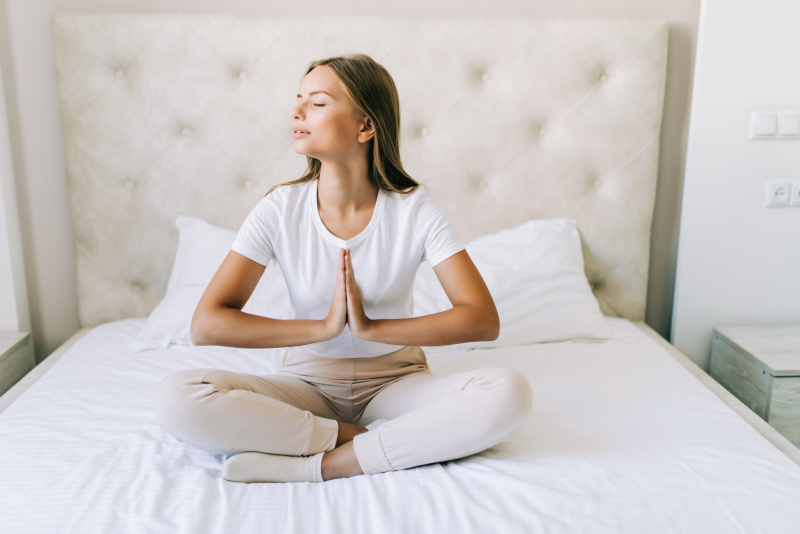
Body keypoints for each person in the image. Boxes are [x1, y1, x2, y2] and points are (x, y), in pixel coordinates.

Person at [153, 54, 533, 484]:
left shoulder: (415, 209)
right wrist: (324, 328)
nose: (296, 112)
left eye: (317, 103)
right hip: (307, 384)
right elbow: (207, 325)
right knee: (176, 399)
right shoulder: (279, 209)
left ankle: (322, 466)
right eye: (298, 101)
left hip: (397, 385)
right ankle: (361, 439)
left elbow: (482, 320)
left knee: (509, 392)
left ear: (365, 126)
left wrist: (371, 329)